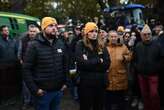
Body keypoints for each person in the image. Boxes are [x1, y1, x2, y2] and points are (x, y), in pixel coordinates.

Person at [23, 17, 69, 110]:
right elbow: (26, 69)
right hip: (42, 93)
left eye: (55, 26)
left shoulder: (60, 43)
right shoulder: (33, 45)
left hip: (58, 91)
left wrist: (66, 82)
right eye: (51, 25)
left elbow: (65, 65)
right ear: (43, 28)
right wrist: (35, 90)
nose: (54, 28)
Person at [75, 22, 110, 110]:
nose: (94, 34)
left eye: (96, 31)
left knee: (99, 106)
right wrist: (98, 60)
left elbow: (107, 64)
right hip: (86, 83)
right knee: (85, 106)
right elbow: (81, 64)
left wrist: (89, 62)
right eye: (91, 31)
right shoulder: (80, 45)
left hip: (100, 83)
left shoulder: (101, 45)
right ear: (86, 33)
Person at [133, 24, 160, 110]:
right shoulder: (138, 46)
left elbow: (161, 59)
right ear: (141, 36)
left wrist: (156, 68)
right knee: (144, 94)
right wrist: (138, 67)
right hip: (141, 75)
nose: (147, 36)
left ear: (151, 34)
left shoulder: (157, 45)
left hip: (153, 75)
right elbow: (135, 59)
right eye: (144, 34)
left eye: (148, 34)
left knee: (154, 94)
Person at [105, 30, 132, 110]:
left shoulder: (123, 46)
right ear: (108, 38)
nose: (113, 38)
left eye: (115, 36)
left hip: (120, 78)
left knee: (121, 101)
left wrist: (124, 58)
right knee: (108, 101)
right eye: (111, 36)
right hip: (108, 78)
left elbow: (130, 56)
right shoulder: (104, 47)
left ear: (118, 37)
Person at [18, 24, 40, 110]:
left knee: (36, 85)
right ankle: (27, 102)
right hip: (26, 67)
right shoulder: (23, 40)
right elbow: (19, 54)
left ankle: (35, 102)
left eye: (34, 31)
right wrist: (23, 63)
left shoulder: (39, 40)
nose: (32, 33)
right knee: (26, 86)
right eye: (30, 31)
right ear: (28, 31)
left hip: (37, 67)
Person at [0, 25, 19, 105]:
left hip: (12, 66)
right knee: (3, 84)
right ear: (1, 32)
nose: (6, 32)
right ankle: (4, 99)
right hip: (2, 67)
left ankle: (12, 98)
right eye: (4, 30)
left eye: (7, 30)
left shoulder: (13, 40)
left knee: (12, 83)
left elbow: (17, 52)